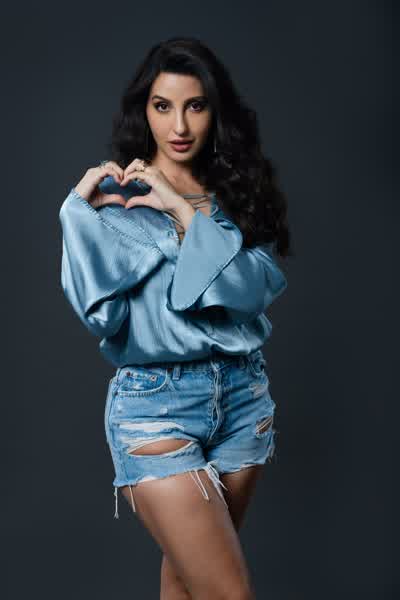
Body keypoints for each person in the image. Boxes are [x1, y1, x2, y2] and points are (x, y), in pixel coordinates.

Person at [59, 36, 292, 600]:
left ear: (216, 111)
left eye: (196, 105)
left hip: (243, 398)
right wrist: (75, 213)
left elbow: (250, 292)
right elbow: (101, 315)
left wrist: (184, 211)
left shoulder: (239, 194)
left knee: (187, 583)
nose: (180, 125)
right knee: (227, 592)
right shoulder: (113, 200)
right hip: (154, 406)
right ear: (144, 110)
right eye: (163, 106)